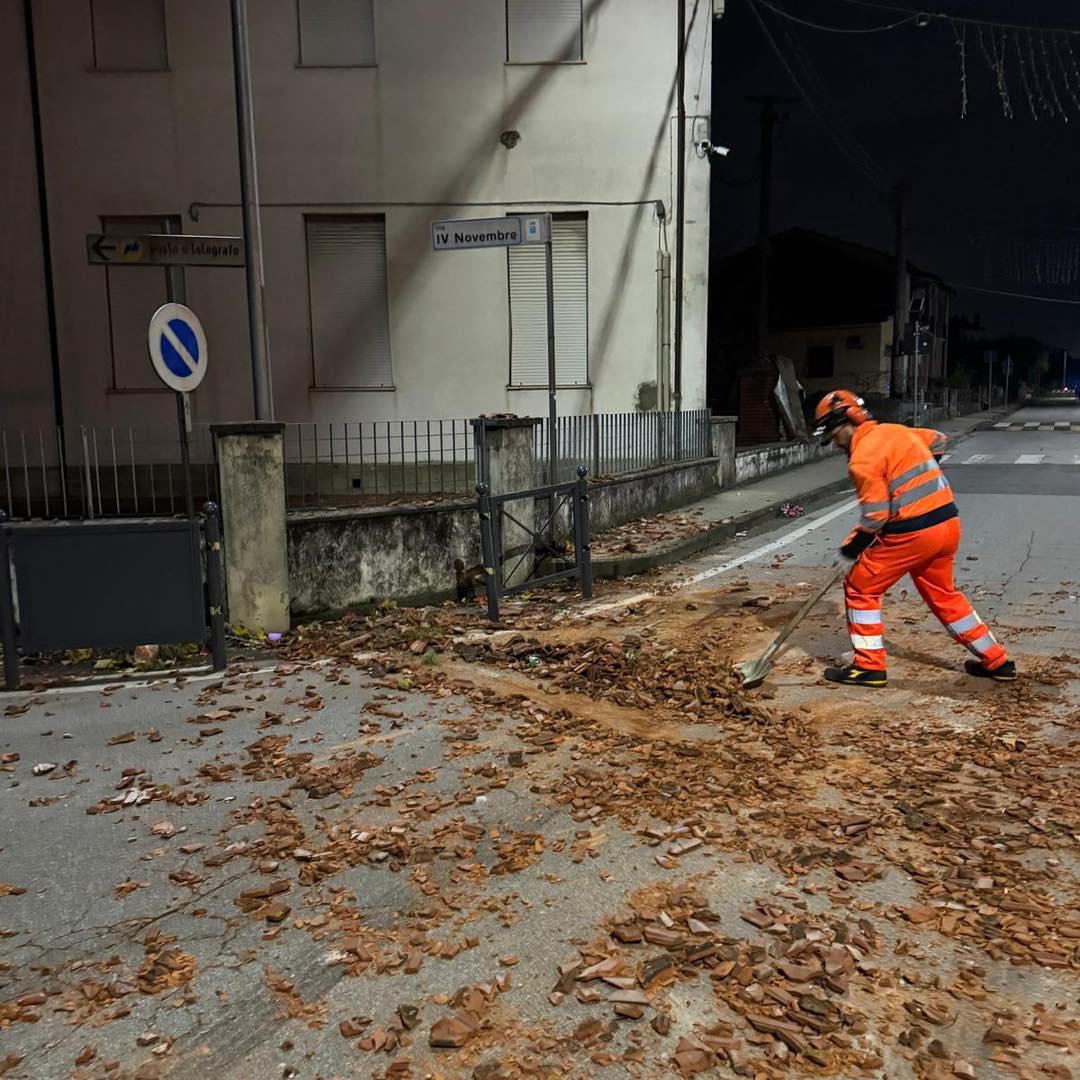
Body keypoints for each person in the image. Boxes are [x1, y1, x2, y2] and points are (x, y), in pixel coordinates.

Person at [811, 389, 1016, 688]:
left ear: (846, 423)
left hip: (913, 534)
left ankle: (868, 667)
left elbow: (876, 516)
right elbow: (937, 440)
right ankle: (997, 660)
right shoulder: (896, 432)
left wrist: (851, 549)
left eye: (832, 434)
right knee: (944, 594)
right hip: (946, 523)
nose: (833, 442)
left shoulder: (862, 459)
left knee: (860, 587)